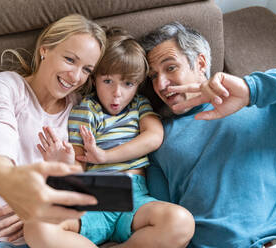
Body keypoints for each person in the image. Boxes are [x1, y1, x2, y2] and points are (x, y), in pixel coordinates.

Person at [140, 22, 276, 248]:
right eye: (153, 76)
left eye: (170, 68)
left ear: (200, 63)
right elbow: (156, 214)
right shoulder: (157, 138)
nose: (160, 85)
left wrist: (252, 89)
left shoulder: (260, 98)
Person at [23, 28, 195, 248]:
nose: (117, 93)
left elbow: (154, 137)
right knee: (36, 225)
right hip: (95, 195)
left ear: (138, 84)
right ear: (94, 79)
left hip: (135, 197)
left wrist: (104, 156)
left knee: (181, 222)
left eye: (128, 84)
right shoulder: (85, 110)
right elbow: (77, 166)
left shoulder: (139, 105)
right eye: (108, 81)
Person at [0, 14, 107, 248]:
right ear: (45, 49)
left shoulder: (81, 109)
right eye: (70, 59)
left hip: (47, 235)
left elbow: (85, 189)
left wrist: (49, 189)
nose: (75, 77)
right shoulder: (6, 85)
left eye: (86, 69)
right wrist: (8, 180)